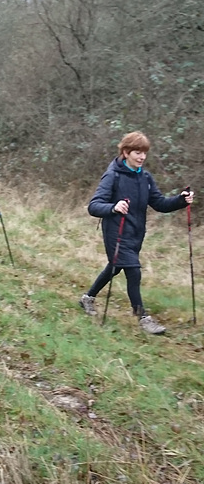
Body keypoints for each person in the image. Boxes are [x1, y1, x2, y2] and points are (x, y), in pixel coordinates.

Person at [79, 131, 194, 334]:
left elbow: (159, 203)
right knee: (134, 271)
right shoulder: (113, 176)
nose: (141, 157)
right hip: (116, 232)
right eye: (137, 152)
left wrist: (180, 200)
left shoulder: (145, 178)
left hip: (136, 233)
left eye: (144, 153)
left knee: (115, 267)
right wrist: (114, 207)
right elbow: (94, 206)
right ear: (125, 152)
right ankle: (143, 317)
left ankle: (87, 298)